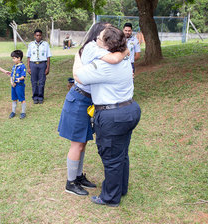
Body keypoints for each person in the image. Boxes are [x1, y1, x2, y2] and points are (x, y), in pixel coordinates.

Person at [58, 22, 129, 196]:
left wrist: (125, 51)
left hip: (89, 101)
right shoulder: (90, 48)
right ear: (99, 35)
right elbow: (115, 58)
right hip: (79, 98)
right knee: (77, 143)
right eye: (106, 32)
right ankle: (71, 182)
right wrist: (124, 52)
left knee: (82, 142)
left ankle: (78, 175)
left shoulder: (101, 50)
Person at [74, 26, 141, 206]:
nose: (96, 41)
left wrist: (78, 59)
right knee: (121, 153)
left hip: (113, 116)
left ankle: (110, 197)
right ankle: (121, 188)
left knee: (111, 157)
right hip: (130, 109)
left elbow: (78, 76)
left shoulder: (103, 65)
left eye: (100, 39)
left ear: (107, 45)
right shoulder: (124, 57)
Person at [27, 29, 52, 104]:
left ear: (42, 36)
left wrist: (47, 67)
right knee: (34, 82)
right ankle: (35, 97)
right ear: (34, 36)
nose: (38, 37)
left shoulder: (46, 44)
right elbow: (28, 56)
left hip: (42, 64)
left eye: (40, 35)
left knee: (41, 81)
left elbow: (48, 56)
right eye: (37, 35)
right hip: (33, 64)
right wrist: (28, 67)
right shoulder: (31, 44)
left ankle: (40, 97)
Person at [9, 50, 27, 119]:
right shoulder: (14, 66)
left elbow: (23, 76)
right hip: (13, 85)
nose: (13, 60)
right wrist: (11, 82)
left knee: (22, 98)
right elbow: (11, 75)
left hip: (19, 85)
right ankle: (13, 112)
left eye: (14, 58)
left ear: (19, 58)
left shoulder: (22, 66)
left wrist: (19, 79)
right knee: (14, 98)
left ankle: (23, 112)